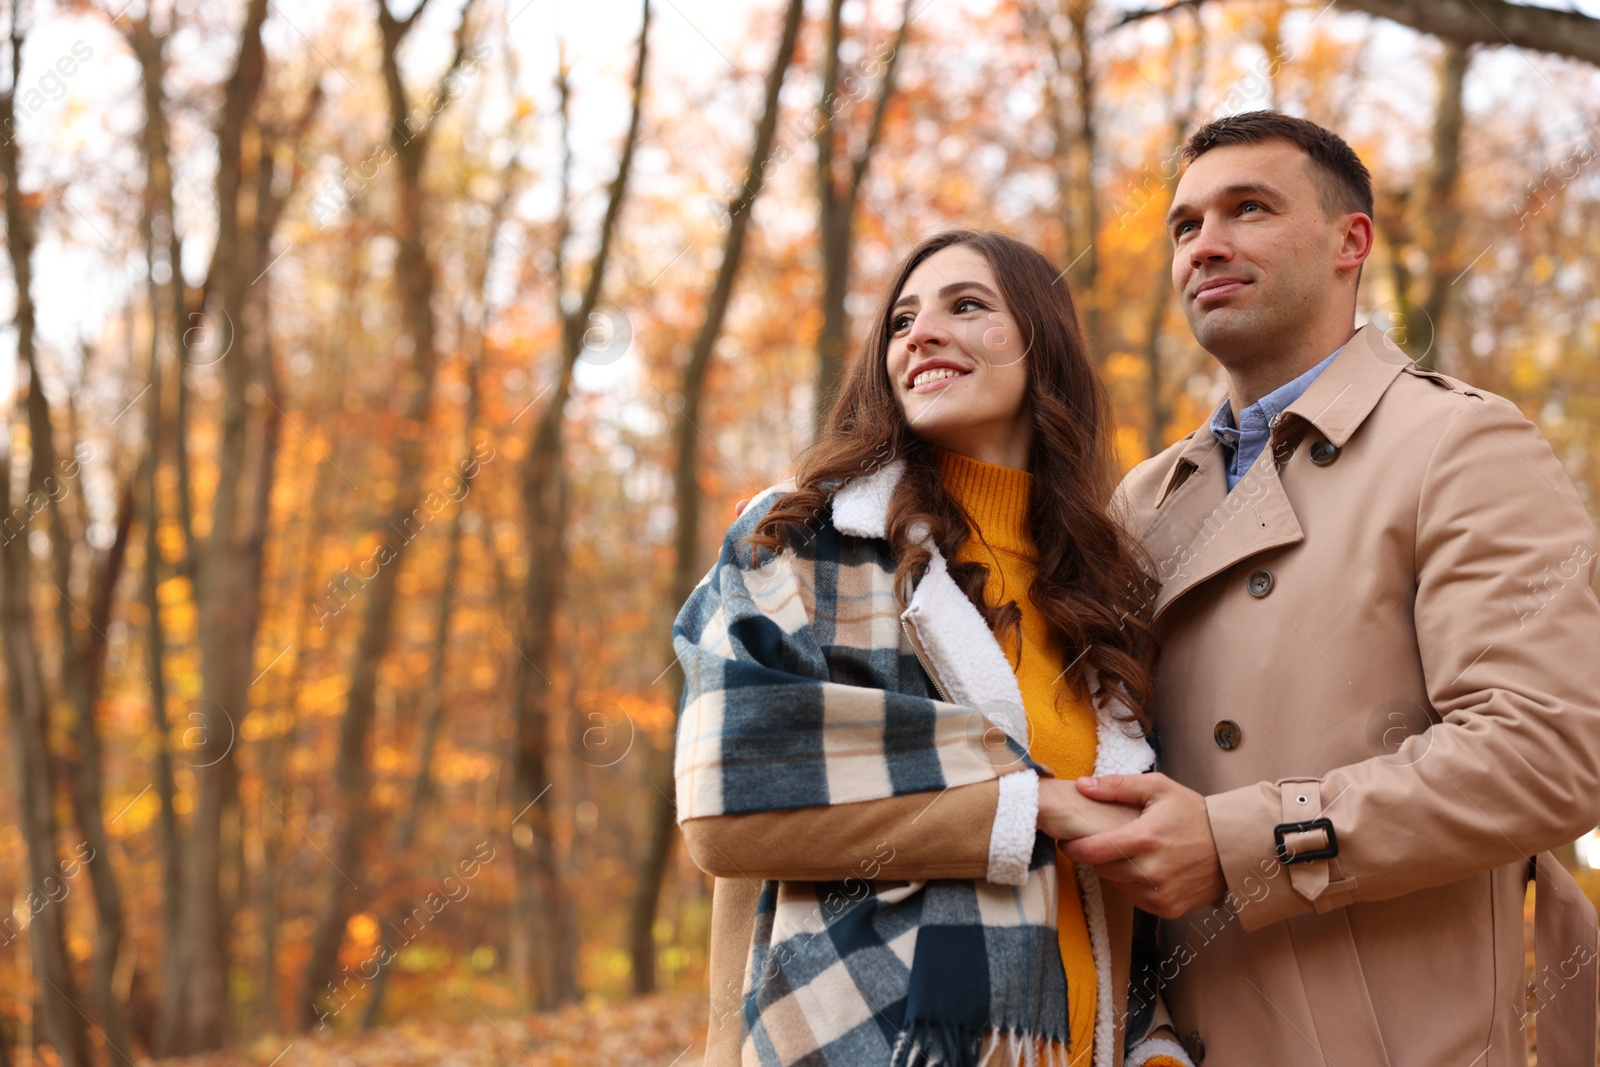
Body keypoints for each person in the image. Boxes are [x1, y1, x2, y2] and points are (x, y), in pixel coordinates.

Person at [1063, 110, 1600, 1065]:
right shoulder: (1141, 502)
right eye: (1184, 225)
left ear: (1351, 242)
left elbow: (1549, 750)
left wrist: (1242, 841)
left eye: (1249, 209)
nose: (1205, 245)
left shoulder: (1458, 445)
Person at [673, 230, 1193, 1066]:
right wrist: (1036, 806)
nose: (919, 332)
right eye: (903, 319)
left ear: (1041, 343)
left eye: (968, 305)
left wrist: (1151, 1043)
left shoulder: (1104, 588)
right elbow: (728, 796)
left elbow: (1112, 883)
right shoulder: (808, 541)